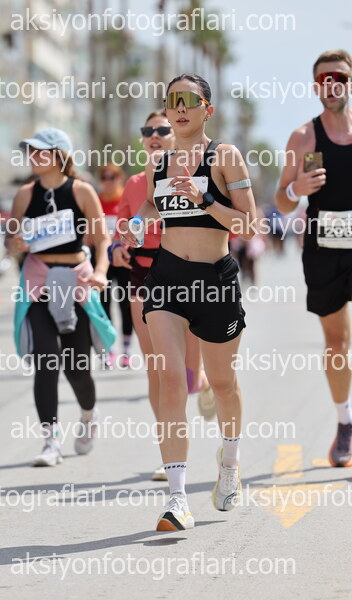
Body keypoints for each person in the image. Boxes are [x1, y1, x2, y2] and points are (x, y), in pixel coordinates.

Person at [120, 74, 256, 531]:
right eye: (172, 100)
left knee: (222, 384)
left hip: (215, 281)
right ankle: (177, 499)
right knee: (171, 381)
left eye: (188, 100)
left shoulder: (225, 156)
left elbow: (249, 224)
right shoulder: (159, 162)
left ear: (207, 109)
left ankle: (230, 463)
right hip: (166, 278)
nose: (179, 108)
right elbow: (151, 207)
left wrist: (207, 199)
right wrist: (136, 226)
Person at [276, 50, 352, 471]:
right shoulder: (303, 138)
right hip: (323, 250)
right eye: (324, 79)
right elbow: (281, 199)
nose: (332, 84)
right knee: (337, 343)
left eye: (340, 78)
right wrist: (296, 190)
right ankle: (345, 420)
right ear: (316, 87)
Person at [110, 109, 217, 482]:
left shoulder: (198, 172)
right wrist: (117, 248)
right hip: (143, 275)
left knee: (187, 371)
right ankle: (168, 454)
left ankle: (202, 382)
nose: (154, 135)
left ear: (177, 135)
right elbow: (121, 227)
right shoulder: (134, 183)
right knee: (157, 368)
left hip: (189, 273)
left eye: (162, 129)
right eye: (148, 130)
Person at [6, 127, 115, 466]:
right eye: (30, 150)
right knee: (46, 361)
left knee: (76, 368)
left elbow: (102, 239)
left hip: (75, 281)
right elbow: (11, 241)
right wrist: (14, 244)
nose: (33, 156)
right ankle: (50, 441)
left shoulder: (81, 191)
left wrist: (100, 271)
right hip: (38, 281)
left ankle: (88, 415)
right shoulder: (25, 193)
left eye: (40, 151)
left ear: (59, 155)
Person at [95, 164, 133, 367]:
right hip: (103, 260)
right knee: (104, 303)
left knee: (126, 304)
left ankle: (126, 350)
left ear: (120, 178)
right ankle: (109, 349)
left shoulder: (126, 198)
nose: (109, 181)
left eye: (113, 177)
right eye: (105, 177)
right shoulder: (96, 201)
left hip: (125, 257)